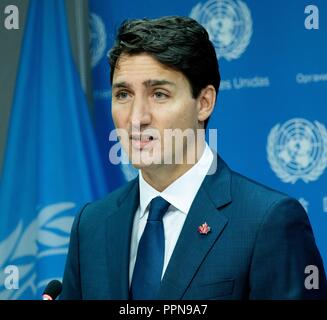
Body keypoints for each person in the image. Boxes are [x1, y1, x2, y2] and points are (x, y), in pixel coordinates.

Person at [60, 16, 327, 300]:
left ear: (204, 103)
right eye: (123, 94)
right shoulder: (91, 224)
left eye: (159, 94)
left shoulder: (268, 221)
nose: (136, 118)